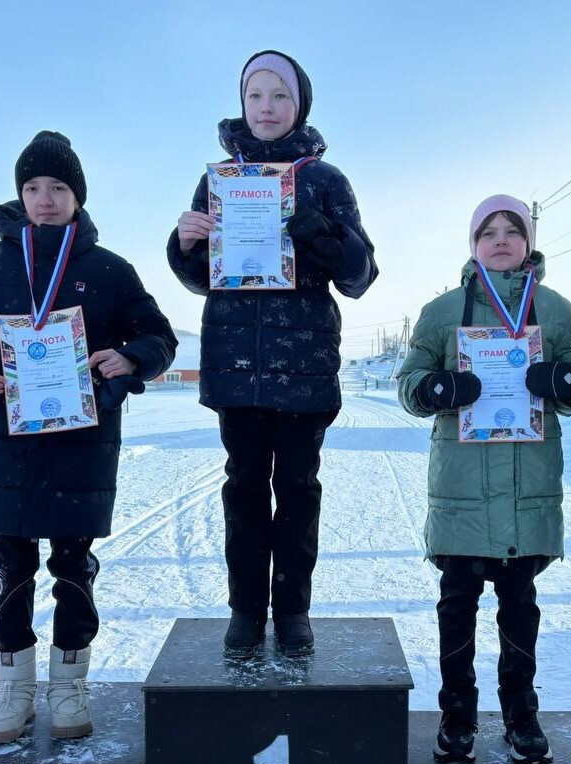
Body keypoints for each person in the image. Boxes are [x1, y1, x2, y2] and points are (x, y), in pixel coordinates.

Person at [0, 131, 177, 744]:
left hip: (81, 446)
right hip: (4, 444)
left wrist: (130, 359)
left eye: (58, 187)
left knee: (74, 566)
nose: (45, 198)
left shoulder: (109, 269)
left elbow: (158, 335)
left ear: (77, 197)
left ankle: (69, 683)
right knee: (10, 565)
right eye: (34, 187)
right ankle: (12, 688)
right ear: (20, 194)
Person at [167, 50, 377, 654]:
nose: (266, 107)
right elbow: (203, 276)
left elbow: (361, 275)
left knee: (299, 491)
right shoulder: (219, 180)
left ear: (298, 105)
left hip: (305, 370)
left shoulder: (326, 181)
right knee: (244, 490)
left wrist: (326, 237)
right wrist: (185, 245)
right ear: (242, 104)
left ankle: (292, 611)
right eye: (255, 95)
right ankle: (245, 610)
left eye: (279, 96)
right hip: (237, 367)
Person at [398, 195, 571, 764]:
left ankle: (520, 714)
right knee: (456, 604)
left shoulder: (553, 310)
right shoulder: (443, 311)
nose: (502, 239)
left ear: (529, 240)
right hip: (462, 488)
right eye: (490, 231)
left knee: (520, 605)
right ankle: (457, 714)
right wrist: (437, 389)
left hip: (525, 489)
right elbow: (410, 381)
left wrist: (563, 379)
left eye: (514, 229)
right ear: (474, 244)